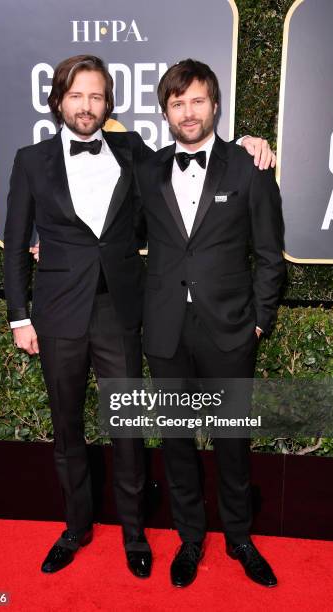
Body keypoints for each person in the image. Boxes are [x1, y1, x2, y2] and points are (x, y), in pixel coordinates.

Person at [4, 53, 275, 579]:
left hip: (122, 313)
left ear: (109, 105)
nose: (87, 106)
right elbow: (15, 245)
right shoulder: (30, 160)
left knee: (129, 430)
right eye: (76, 95)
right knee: (68, 431)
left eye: (97, 97)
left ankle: (135, 535)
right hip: (58, 312)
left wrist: (251, 142)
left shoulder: (134, 153)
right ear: (58, 100)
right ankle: (75, 529)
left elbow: (193, 180)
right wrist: (19, 315)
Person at [136, 59, 285, 588]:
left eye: (197, 100)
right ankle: (190, 538)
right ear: (166, 113)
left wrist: (260, 322)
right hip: (167, 331)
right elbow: (111, 233)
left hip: (230, 331)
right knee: (176, 440)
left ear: (214, 105)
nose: (187, 112)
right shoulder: (148, 171)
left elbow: (270, 254)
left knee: (231, 442)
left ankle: (240, 538)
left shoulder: (249, 166)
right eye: (177, 103)